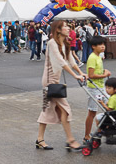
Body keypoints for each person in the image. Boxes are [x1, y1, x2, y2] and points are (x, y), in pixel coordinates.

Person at [36, 20, 87, 151]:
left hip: (55, 81)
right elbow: (61, 62)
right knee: (65, 109)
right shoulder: (52, 43)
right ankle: (70, 140)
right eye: (65, 26)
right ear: (58, 30)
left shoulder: (64, 43)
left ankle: (40, 139)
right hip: (49, 81)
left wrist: (81, 73)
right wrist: (75, 76)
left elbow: (71, 61)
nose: (68, 28)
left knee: (47, 109)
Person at [84, 36, 111, 143]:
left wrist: (104, 71)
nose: (103, 46)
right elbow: (91, 75)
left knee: (110, 107)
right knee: (92, 112)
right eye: (100, 44)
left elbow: (97, 71)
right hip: (94, 89)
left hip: (100, 87)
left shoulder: (99, 56)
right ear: (93, 46)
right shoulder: (92, 58)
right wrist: (105, 75)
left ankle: (100, 130)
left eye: (103, 44)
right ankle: (86, 136)